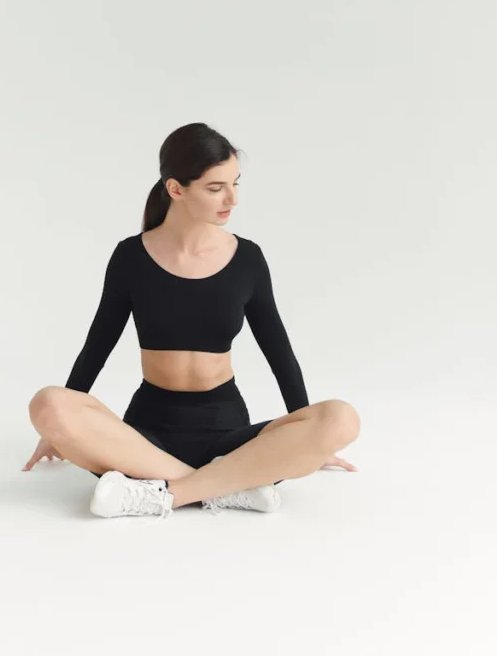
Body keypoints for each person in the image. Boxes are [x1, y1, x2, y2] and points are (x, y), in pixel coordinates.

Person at [24, 122, 360, 519]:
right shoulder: (131, 257)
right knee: (48, 404)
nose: (232, 199)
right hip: (145, 437)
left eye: (236, 184)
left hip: (228, 432)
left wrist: (310, 437)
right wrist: (57, 430)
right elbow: (98, 343)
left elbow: (279, 352)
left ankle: (164, 493)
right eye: (216, 188)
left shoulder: (248, 259)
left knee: (341, 418)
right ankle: (229, 486)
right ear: (176, 189)